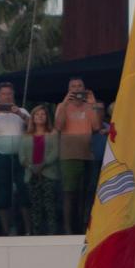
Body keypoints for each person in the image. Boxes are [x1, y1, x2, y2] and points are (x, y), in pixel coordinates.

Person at [0, 82, 32, 236]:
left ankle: (28, 230)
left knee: (23, 191)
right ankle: (7, 230)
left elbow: (34, 128)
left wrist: (20, 115)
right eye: (4, 94)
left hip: (21, 158)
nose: (7, 97)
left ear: (13, 95)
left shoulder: (22, 111)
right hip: (1, 158)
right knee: (3, 193)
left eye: (9, 94)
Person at [54, 77, 103, 233]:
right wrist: (64, 103)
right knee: (70, 192)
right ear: (69, 89)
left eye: (79, 85)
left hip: (87, 154)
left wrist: (93, 103)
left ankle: (82, 227)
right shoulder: (62, 106)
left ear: (84, 88)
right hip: (69, 155)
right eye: (73, 86)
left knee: (85, 192)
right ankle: (68, 228)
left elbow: (96, 126)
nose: (76, 88)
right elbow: (59, 126)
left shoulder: (89, 106)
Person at [21, 104, 61, 234]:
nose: (40, 116)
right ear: (32, 117)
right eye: (37, 114)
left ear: (47, 117)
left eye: (43, 114)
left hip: (48, 173)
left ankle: (52, 232)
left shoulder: (53, 133)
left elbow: (55, 152)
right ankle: (36, 233)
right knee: (35, 206)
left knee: (50, 205)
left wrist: (42, 164)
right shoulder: (25, 135)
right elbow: (21, 156)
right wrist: (32, 167)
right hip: (31, 174)